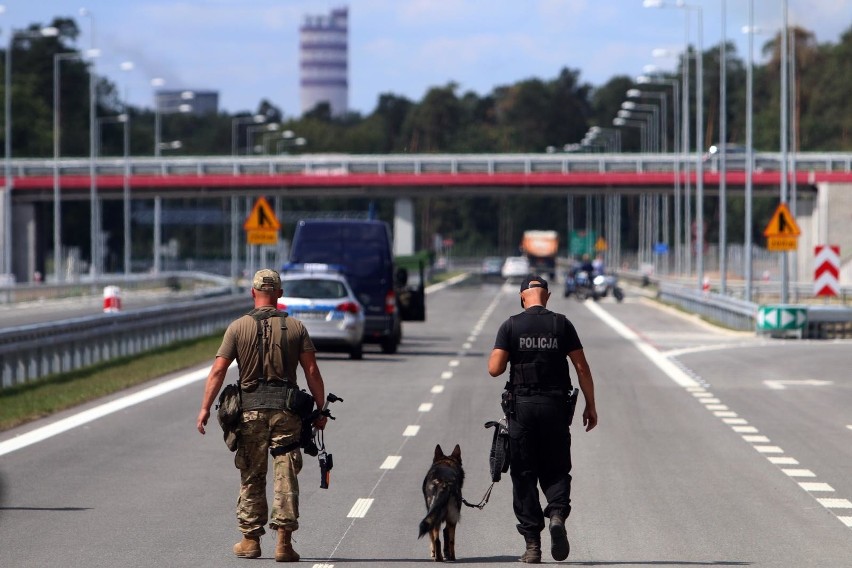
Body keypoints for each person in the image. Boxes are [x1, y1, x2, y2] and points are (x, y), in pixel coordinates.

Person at [196, 268, 328, 562]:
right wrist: (321, 410)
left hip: (250, 414)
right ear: (279, 295)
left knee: (252, 474)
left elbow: (218, 370)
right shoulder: (296, 328)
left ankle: (250, 540)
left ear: (253, 293)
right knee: (286, 475)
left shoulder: (237, 328)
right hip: (287, 413)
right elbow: (311, 372)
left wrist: (205, 408)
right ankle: (284, 543)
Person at [488, 274, 597, 564]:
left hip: (522, 409)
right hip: (555, 408)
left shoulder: (510, 325)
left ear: (523, 297)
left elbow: (494, 369)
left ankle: (533, 546)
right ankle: (557, 514)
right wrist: (590, 405)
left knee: (524, 475)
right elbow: (582, 368)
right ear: (547, 296)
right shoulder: (562, 324)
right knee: (557, 467)